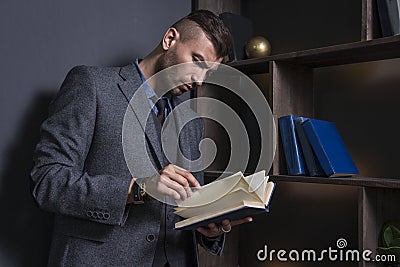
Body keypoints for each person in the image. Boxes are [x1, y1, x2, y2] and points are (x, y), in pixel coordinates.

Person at [31, 10, 252, 267]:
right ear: (170, 39)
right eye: (196, 61)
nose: (199, 80)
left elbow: (186, 206)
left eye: (207, 73)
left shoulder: (192, 123)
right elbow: (48, 181)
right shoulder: (91, 86)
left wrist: (208, 226)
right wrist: (138, 188)